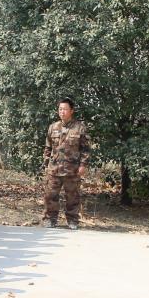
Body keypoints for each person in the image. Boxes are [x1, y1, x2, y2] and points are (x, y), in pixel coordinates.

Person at [42, 98, 90, 230]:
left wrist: (83, 165)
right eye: (60, 109)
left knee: (72, 197)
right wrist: (46, 164)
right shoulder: (53, 127)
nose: (62, 112)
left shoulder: (80, 128)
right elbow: (48, 147)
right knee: (50, 196)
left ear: (71, 111)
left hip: (72, 170)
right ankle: (50, 220)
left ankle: (73, 220)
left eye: (65, 109)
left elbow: (85, 149)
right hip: (54, 169)